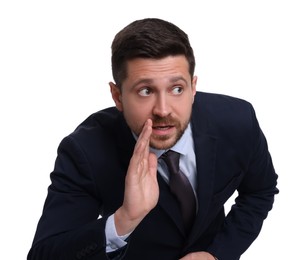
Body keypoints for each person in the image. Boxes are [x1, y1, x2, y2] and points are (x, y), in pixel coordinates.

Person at [27, 18, 279, 260]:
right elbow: (44, 254)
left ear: (193, 88)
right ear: (117, 96)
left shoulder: (237, 121)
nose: (163, 109)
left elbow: (260, 191)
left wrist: (217, 253)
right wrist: (124, 219)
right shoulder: (85, 151)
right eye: (145, 91)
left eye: (177, 89)